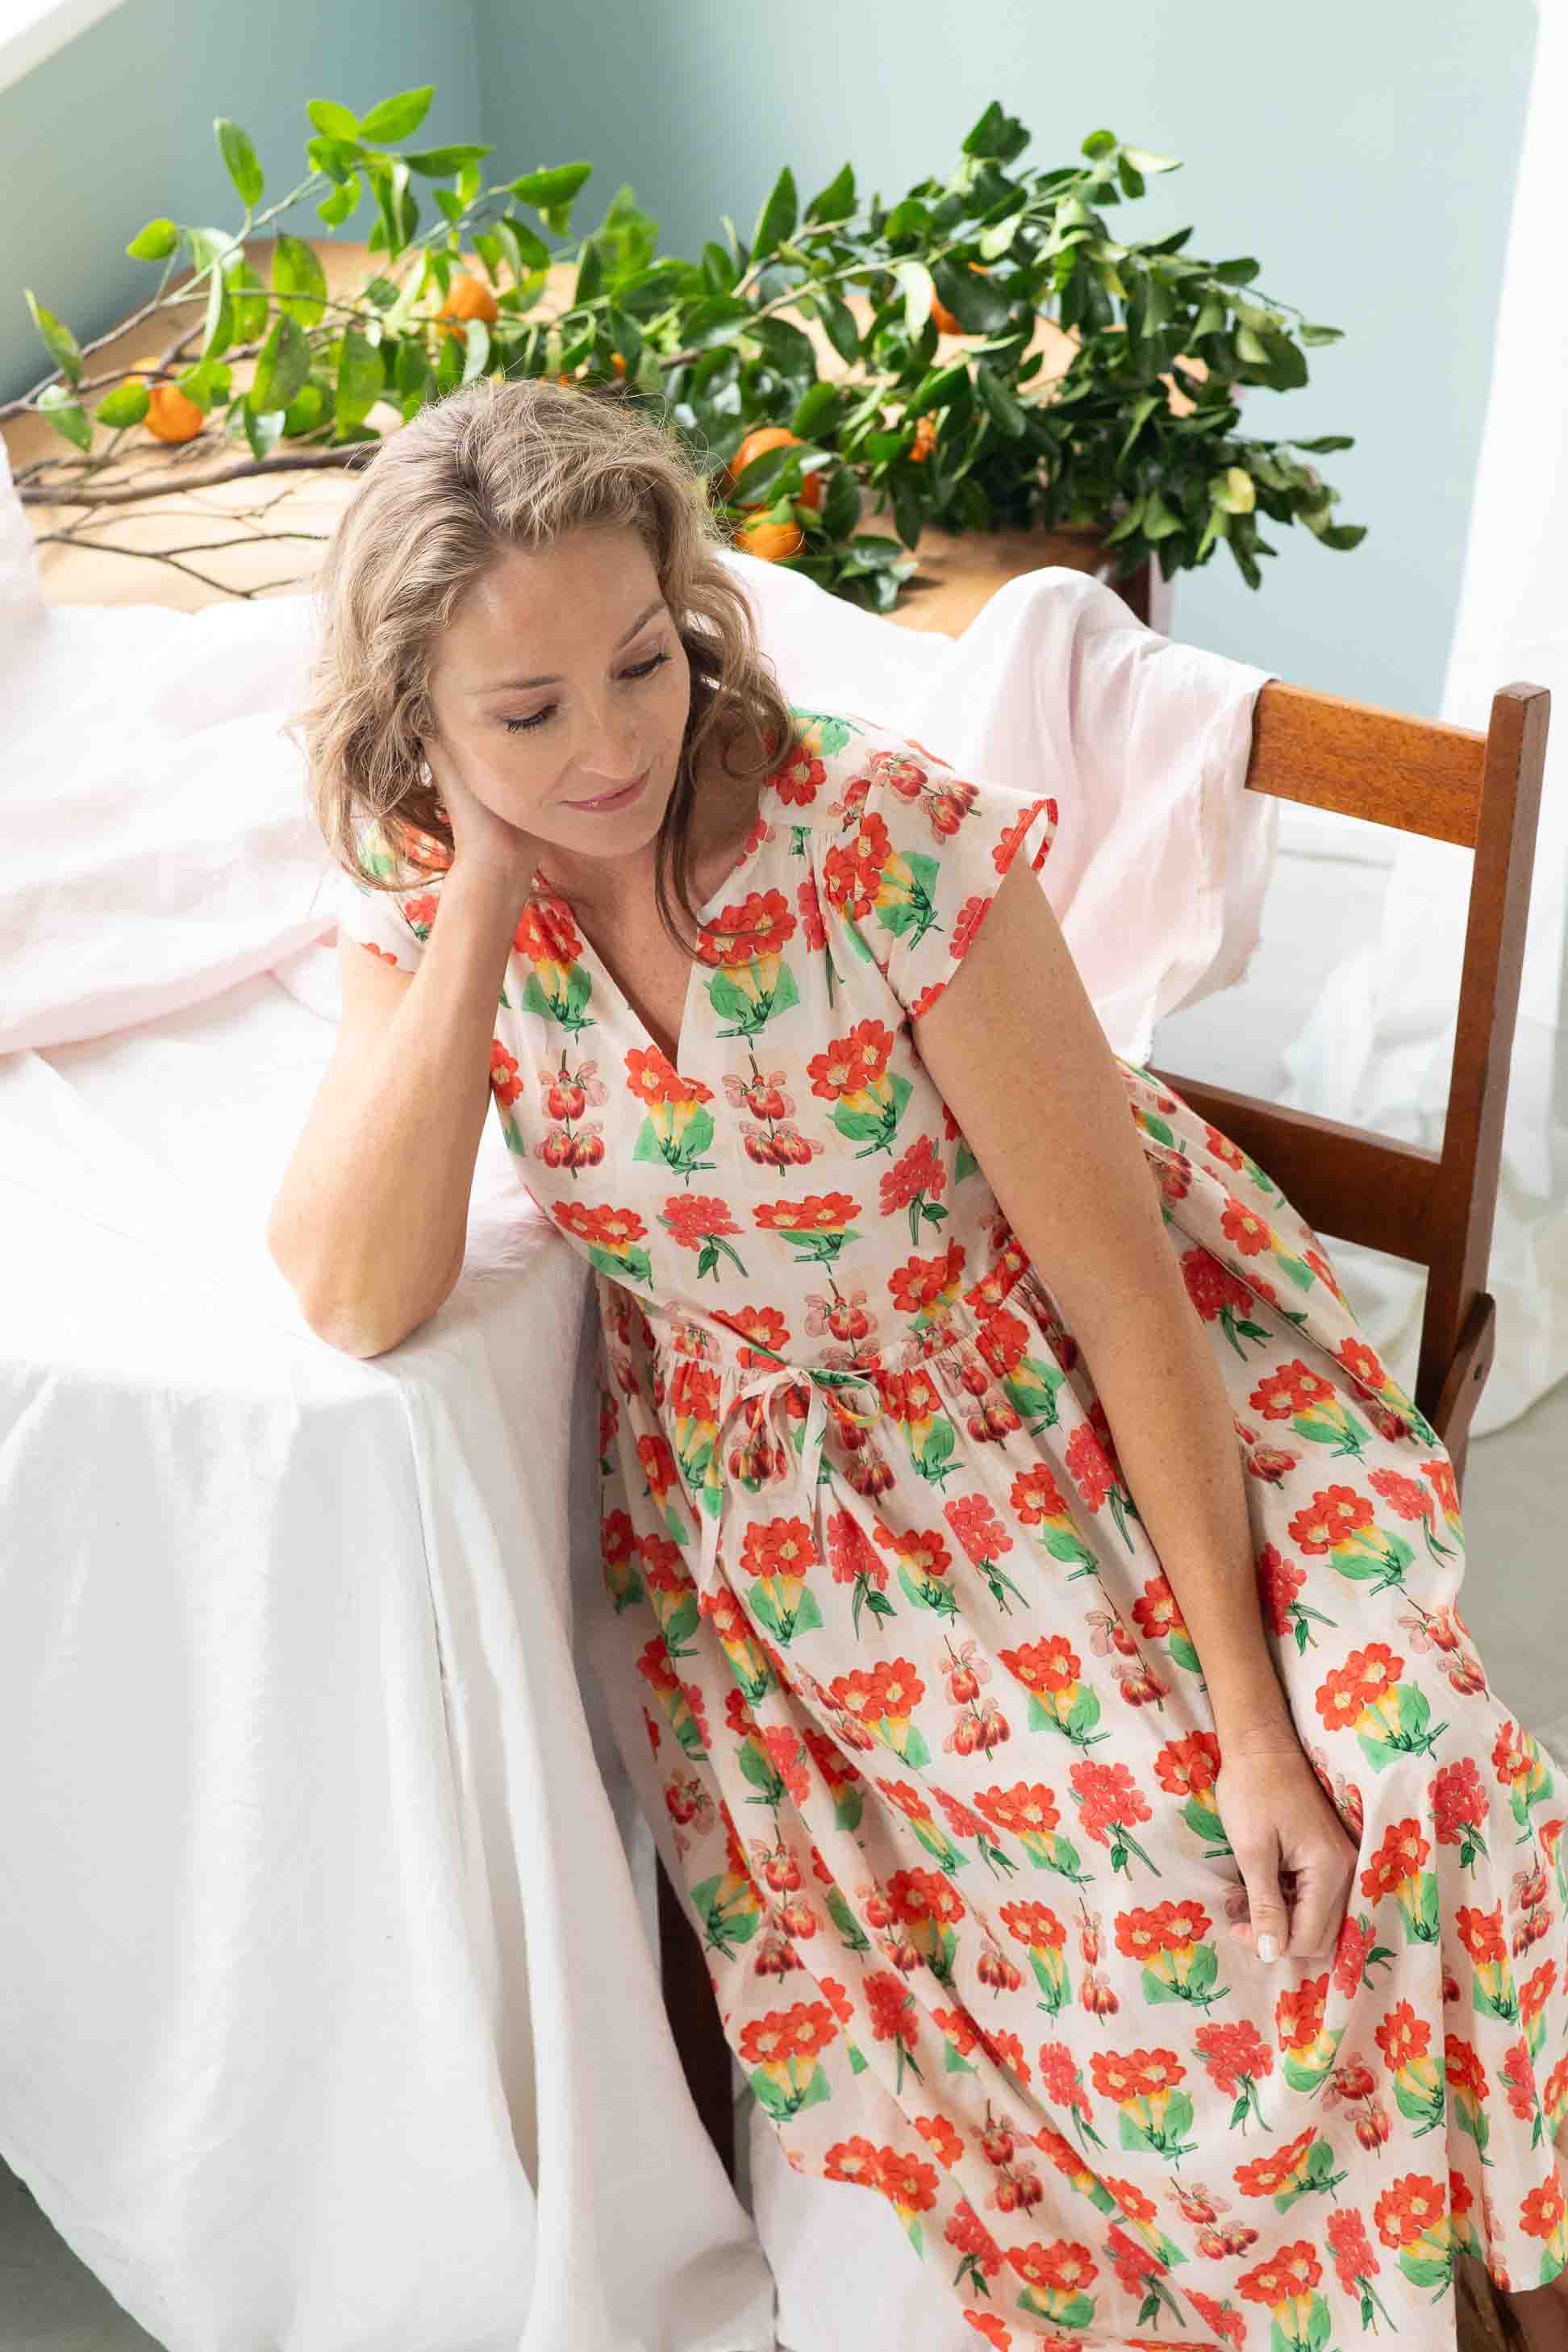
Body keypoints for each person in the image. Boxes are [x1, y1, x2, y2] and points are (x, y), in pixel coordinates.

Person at [270, 373, 1568, 2352]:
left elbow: (1131, 1298)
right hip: (814, 1565)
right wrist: (476, 902)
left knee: (1411, 1781)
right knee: (1179, 1965)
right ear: (418, 733)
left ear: (686, 617)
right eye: (526, 714)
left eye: (640, 665)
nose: (613, 745)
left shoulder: (877, 841)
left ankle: (1503, 2276)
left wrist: (1245, 1720)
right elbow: (355, 1287)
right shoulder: (431, 924)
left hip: (1094, 1407)